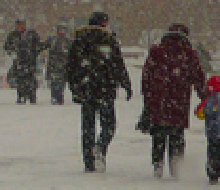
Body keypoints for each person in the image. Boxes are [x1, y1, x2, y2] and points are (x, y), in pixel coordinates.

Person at [65, 10, 133, 174]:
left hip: (86, 88)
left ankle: (89, 162)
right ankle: (101, 147)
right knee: (108, 124)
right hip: (105, 88)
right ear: (104, 23)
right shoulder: (109, 39)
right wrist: (126, 84)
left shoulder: (79, 39)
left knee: (88, 126)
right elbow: (118, 64)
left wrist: (75, 86)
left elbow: (71, 65)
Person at [142, 22, 207, 179]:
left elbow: (146, 75)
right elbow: (197, 76)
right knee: (176, 133)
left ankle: (158, 164)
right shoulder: (188, 53)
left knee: (158, 132)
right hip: (179, 98)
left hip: (159, 99)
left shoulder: (157, 51)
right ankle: (175, 165)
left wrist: (147, 94)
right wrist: (203, 95)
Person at [4, 19, 45, 104]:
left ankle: (32, 96)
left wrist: (35, 52)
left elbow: (38, 45)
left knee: (31, 79)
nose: (21, 27)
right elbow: (7, 46)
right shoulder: (13, 35)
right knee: (20, 80)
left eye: (23, 24)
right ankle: (21, 96)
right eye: (19, 25)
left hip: (31, 61)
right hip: (19, 62)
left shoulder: (31, 34)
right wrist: (12, 52)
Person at [46, 24, 71, 105]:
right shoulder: (52, 40)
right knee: (54, 82)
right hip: (53, 66)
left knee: (61, 83)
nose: (61, 32)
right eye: (60, 30)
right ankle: (54, 97)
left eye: (63, 30)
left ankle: (59, 97)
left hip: (63, 66)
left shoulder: (68, 42)